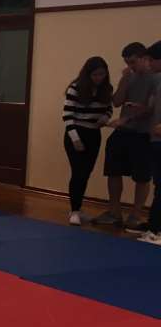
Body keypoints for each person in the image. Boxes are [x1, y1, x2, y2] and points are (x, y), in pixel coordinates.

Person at [93, 43, 155, 231]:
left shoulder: (155, 78)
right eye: (127, 63)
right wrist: (124, 79)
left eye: (133, 62)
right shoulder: (129, 76)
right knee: (113, 169)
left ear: (144, 58)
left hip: (144, 133)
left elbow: (150, 108)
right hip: (123, 131)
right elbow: (117, 101)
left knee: (142, 176)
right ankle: (114, 212)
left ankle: (135, 215)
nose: (130, 66)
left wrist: (127, 119)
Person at [63, 57, 114, 226]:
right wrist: (75, 139)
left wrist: (105, 117)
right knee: (78, 172)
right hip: (76, 132)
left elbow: (109, 108)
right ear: (88, 74)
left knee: (86, 173)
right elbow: (67, 115)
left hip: (94, 133)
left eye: (102, 74)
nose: (99, 78)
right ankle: (74, 210)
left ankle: (77, 208)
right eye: (95, 75)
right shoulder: (75, 88)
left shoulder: (106, 89)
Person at [139, 41, 161, 244]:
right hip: (156, 139)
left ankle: (155, 230)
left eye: (151, 60)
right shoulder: (158, 80)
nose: (149, 64)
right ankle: (154, 227)